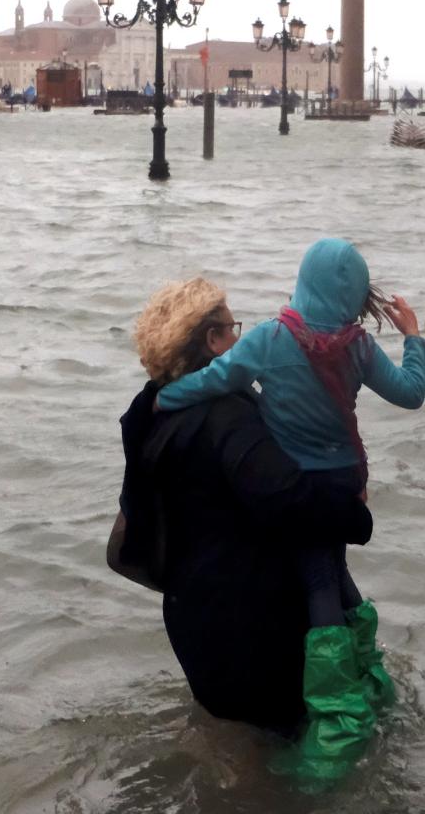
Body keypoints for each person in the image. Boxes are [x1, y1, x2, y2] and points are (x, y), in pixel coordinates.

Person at [155, 239, 425, 779]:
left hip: (301, 489)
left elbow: (218, 378)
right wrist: (414, 338)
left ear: (303, 283)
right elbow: (411, 393)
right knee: (336, 571)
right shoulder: (359, 349)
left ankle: (336, 714)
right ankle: (371, 677)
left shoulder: (270, 339)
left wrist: (164, 398)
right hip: (347, 481)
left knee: (319, 577)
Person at [113, 278, 374, 736]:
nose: (239, 338)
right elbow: (288, 499)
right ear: (213, 341)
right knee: (286, 758)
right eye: (232, 328)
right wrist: (356, 514)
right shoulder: (226, 417)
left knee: (230, 749)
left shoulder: (151, 412)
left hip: (192, 619)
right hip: (251, 629)